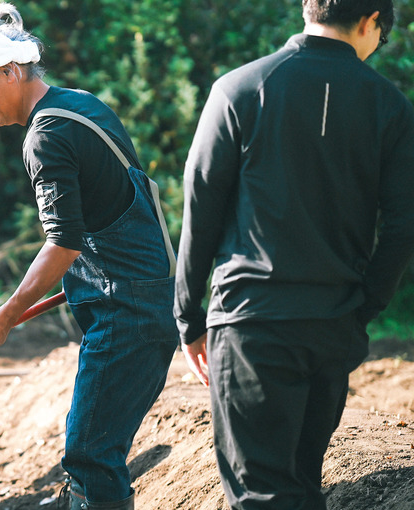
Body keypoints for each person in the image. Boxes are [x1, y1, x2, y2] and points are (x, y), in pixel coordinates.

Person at [174, 1, 414, 508]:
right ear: (371, 20)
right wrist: (364, 305)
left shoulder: (238, 88)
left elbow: (201, 207)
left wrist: (188, 314)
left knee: (262, 493)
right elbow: (403, 223)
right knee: (304, 484)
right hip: (332, 326)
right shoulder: (389, 104)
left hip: (251, 324)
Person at [0, 4, 177, 509]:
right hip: (144, 295)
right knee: (94, 448)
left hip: (129, 313)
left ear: (11, 71)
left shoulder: (47, 136)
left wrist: (7, 314)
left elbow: (63, 243)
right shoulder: (80, 104)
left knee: (91, 453)